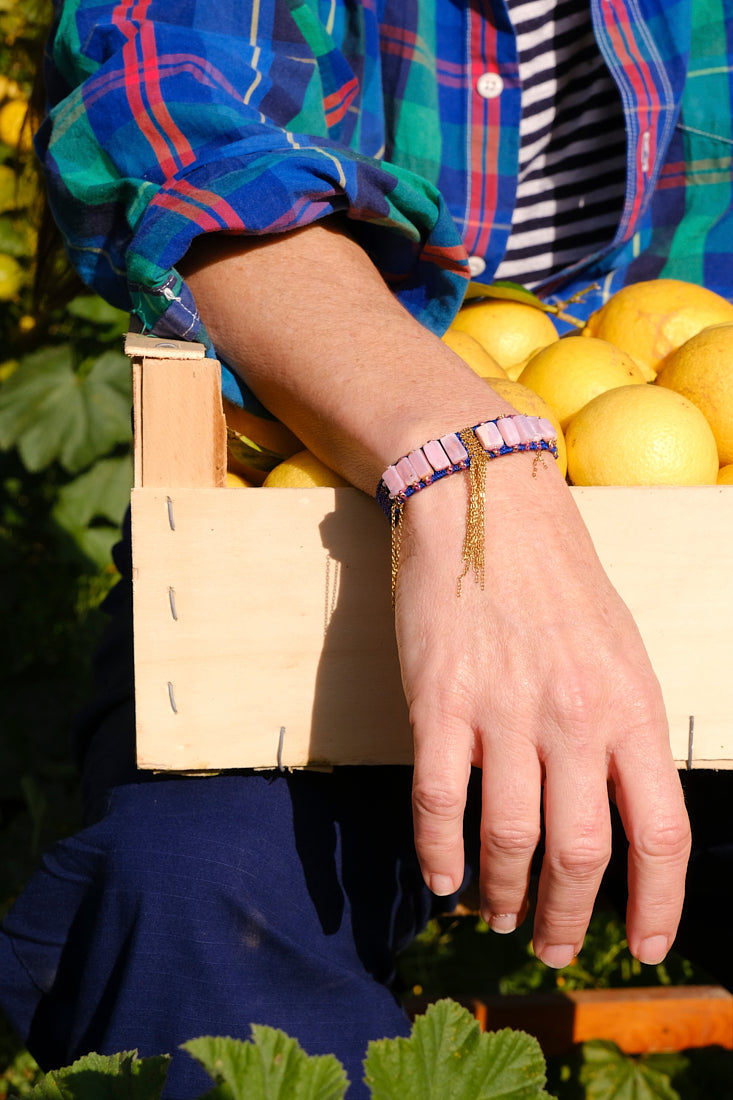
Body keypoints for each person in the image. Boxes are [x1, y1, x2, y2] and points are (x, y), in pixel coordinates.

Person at [2, 0, 731, 1095]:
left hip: (702, 570)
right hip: (313, 541)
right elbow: (160, 110)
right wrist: (470, 467)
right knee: (196, 887)